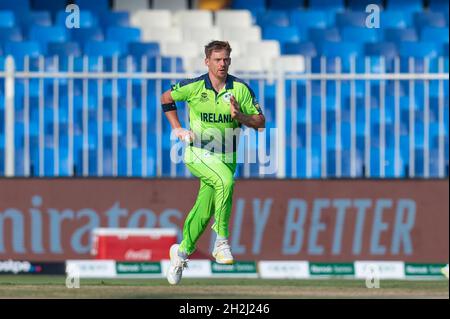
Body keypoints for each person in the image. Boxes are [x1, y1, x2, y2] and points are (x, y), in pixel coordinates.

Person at [160, 40, 265, 285]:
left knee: (205, 210)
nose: (222, 64)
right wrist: (177, 128)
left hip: (227, 158)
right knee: (226, 182)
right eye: (217, 59)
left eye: (226, 59)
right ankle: (221, 242)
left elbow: (261, 122)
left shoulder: (240, 89)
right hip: (197, 151)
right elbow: (166, 97)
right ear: (207, 61)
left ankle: (181, 253)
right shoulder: (195, 87)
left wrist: (241, 116)